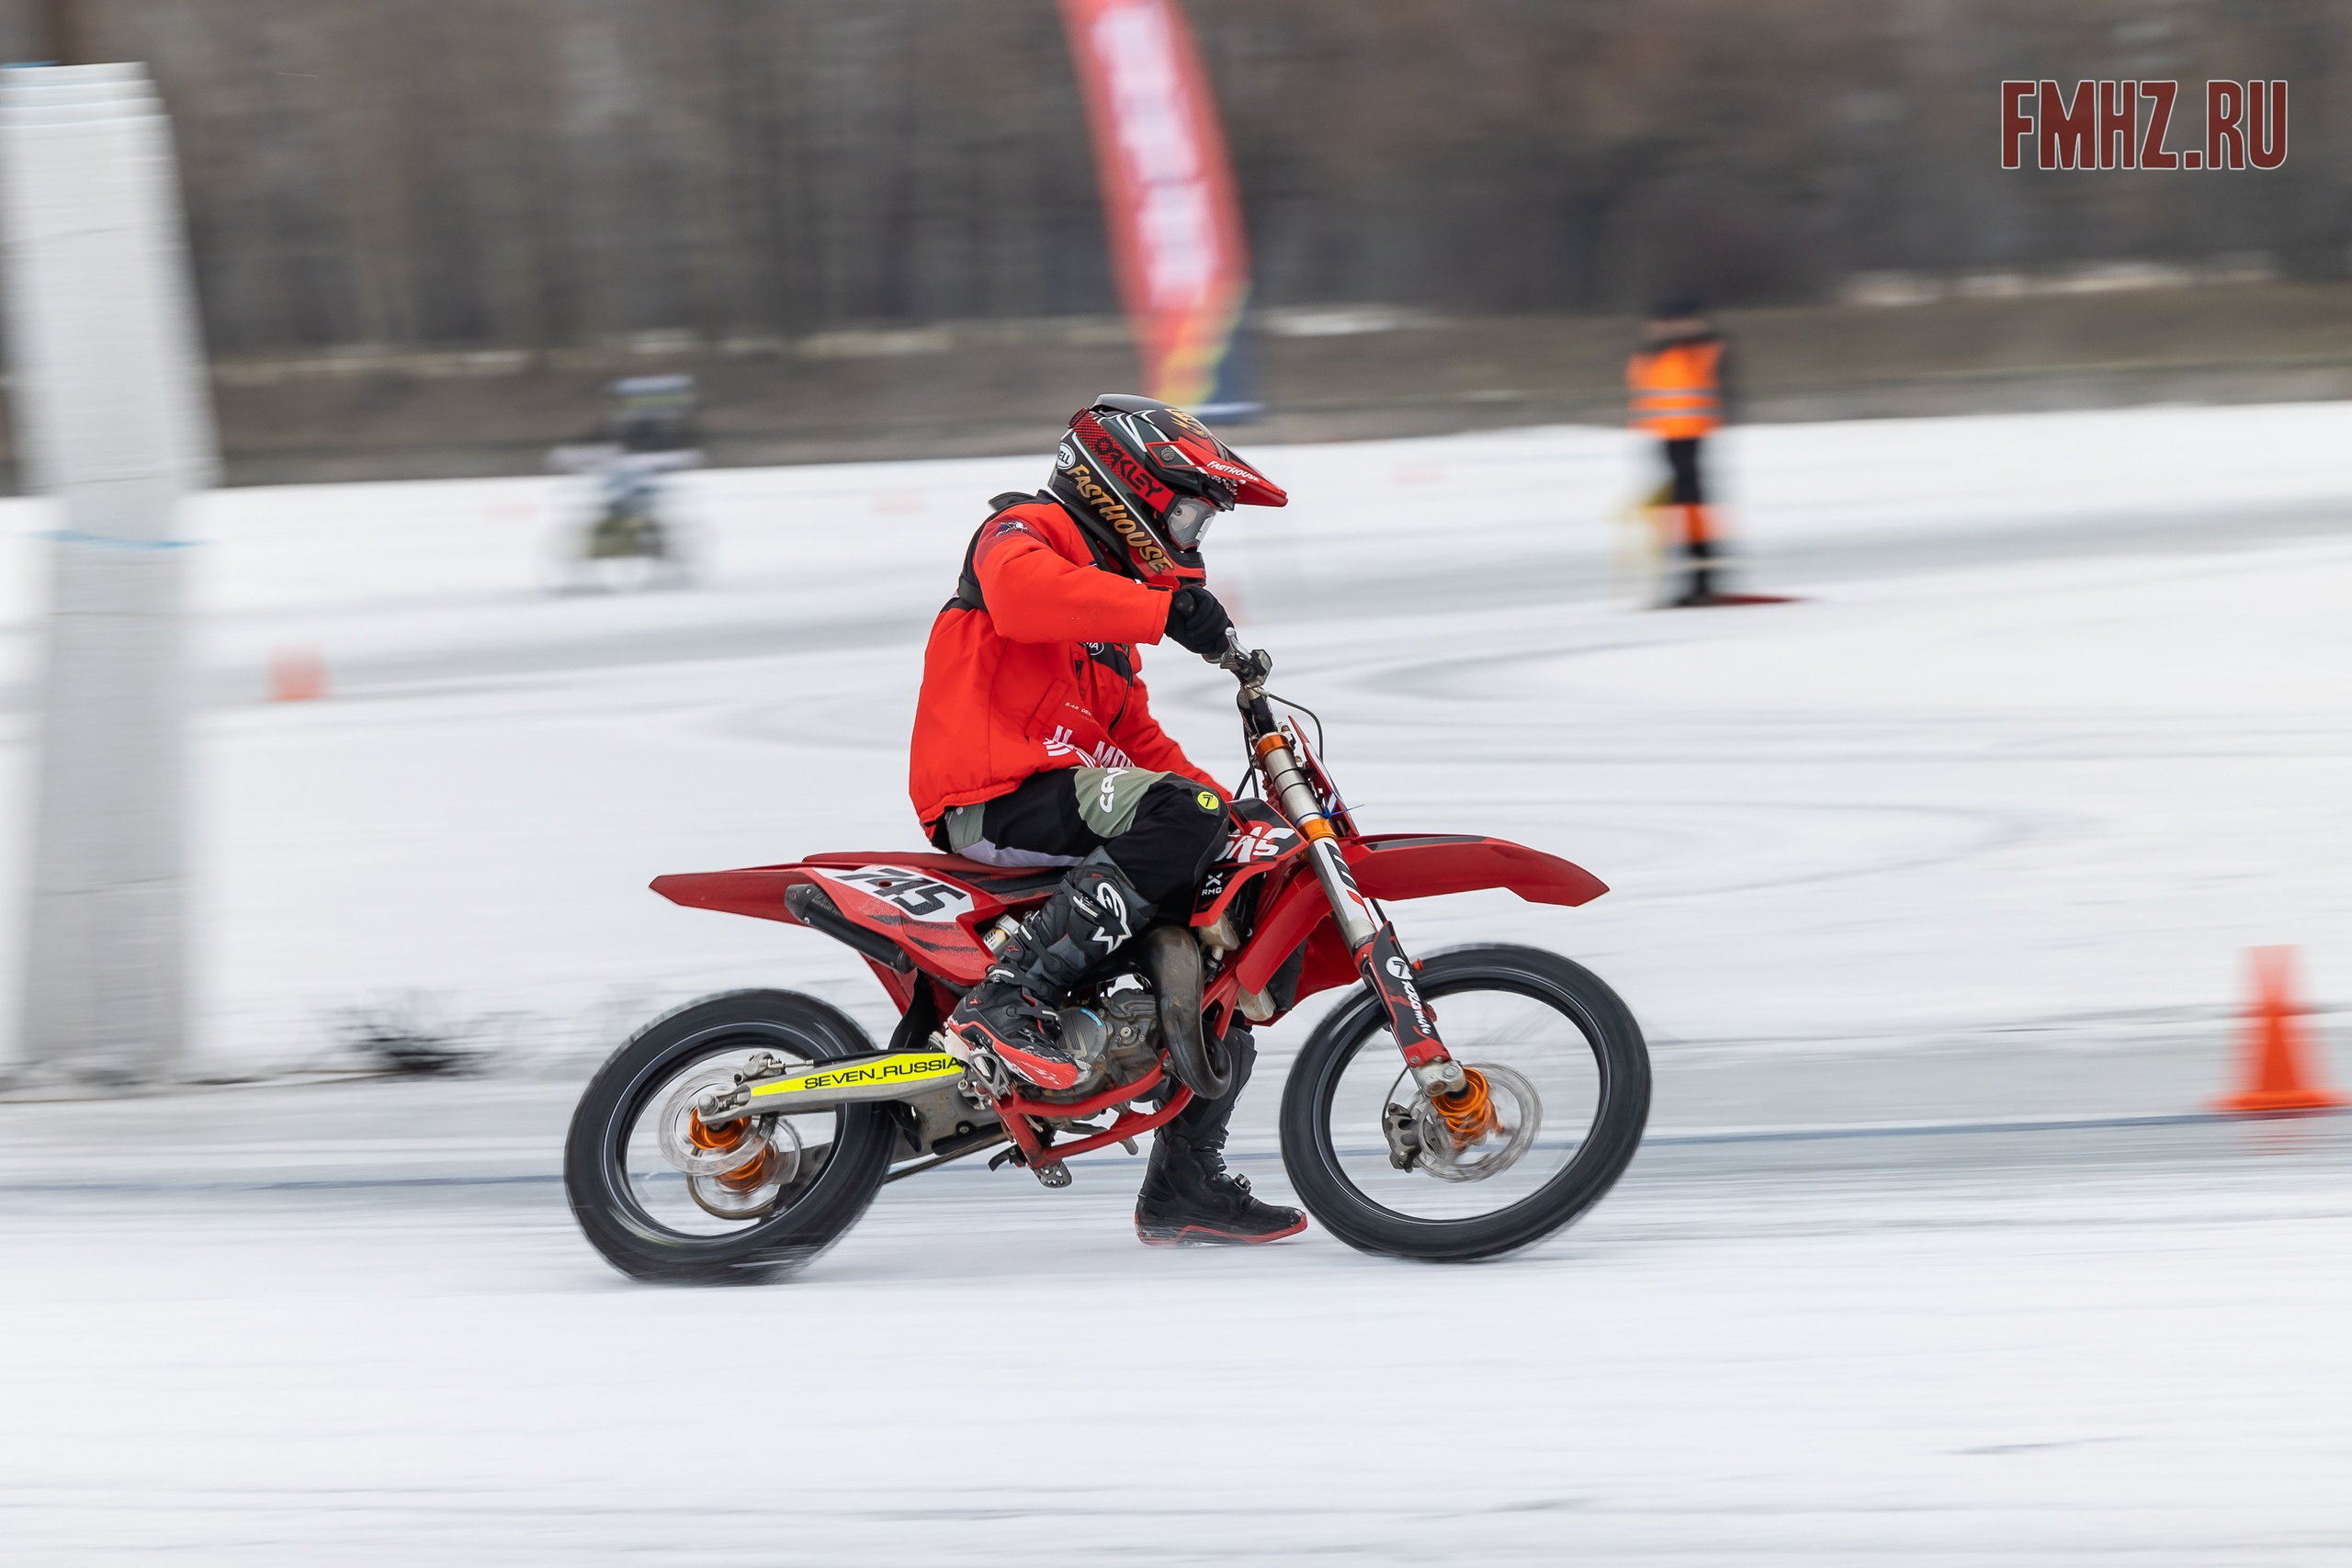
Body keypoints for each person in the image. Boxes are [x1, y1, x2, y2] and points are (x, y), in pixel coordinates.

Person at [908, 393, 1306, 1246]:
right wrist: (1163, 614)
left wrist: (1245, 819)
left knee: (1238, 891)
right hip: (993, 796)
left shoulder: (1109, 626)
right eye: (1191, 512)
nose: (1193, 536)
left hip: (1069, 802)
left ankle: (1184, 1180)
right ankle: (1011, 997)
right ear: (1129, 482)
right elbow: (1020, 601)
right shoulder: (1022, 533)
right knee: (1190, 815)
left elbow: (1138, 743)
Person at [1626, 298, 1734, 606]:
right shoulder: (1650, 356)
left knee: (1691, 504)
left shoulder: (1697, 350)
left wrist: (1694, 330)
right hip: (1663, 439)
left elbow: (1712, 357)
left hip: (1692, 436)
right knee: (1673, 509)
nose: (1662, 329)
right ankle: (1684, 579)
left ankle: (1702, 579)